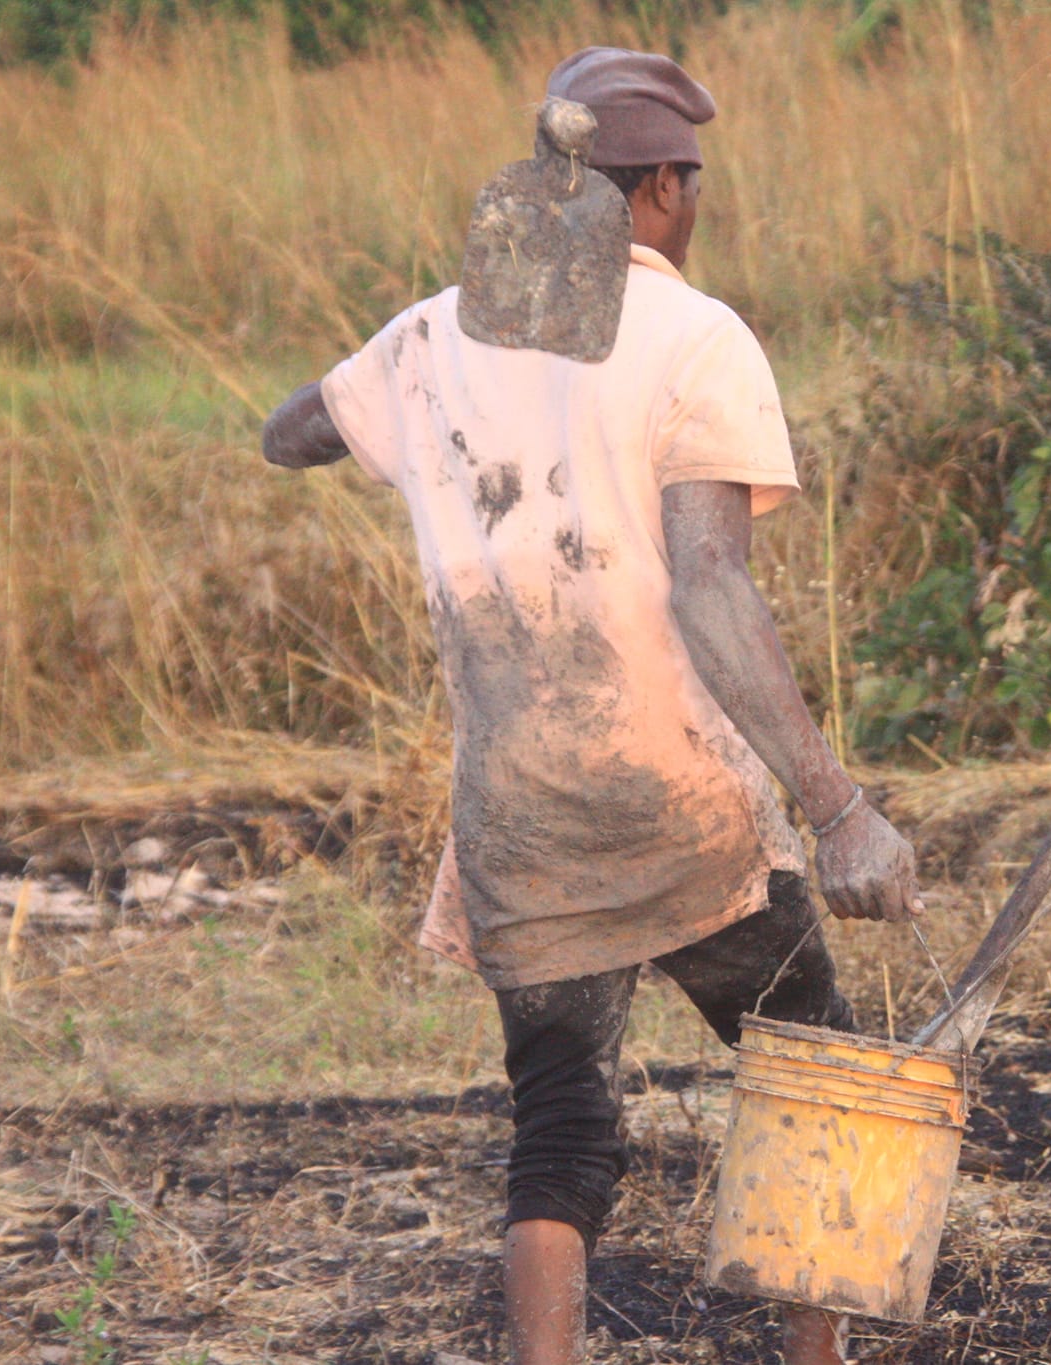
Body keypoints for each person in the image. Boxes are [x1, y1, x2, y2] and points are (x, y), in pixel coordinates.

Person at [258, 44, 923, 1365]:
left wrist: (405, 366)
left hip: (519, 813)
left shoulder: (437, 331)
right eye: (693, 180)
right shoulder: (695, 336)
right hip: (678, 797)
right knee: (815, 1072)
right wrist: (840, 809)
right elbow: (714, 590)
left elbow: (288, 432)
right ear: (665, 186)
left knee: (561, 1128)